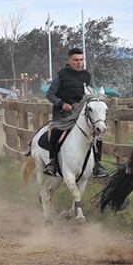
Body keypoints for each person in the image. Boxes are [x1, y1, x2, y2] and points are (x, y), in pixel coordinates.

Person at [43, 47, 108, 178]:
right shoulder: (61, 75)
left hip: (80, 112)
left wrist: (84, 103)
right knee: (56, 129)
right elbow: (50, 94)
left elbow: (90, 94)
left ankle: (98, 165)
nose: (79, 63)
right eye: (76, 60)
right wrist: (62, 104)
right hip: (61, 112)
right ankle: (52, 162)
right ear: (70, 61)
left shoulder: (86, 75)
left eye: (81, 60)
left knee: (97, 133)